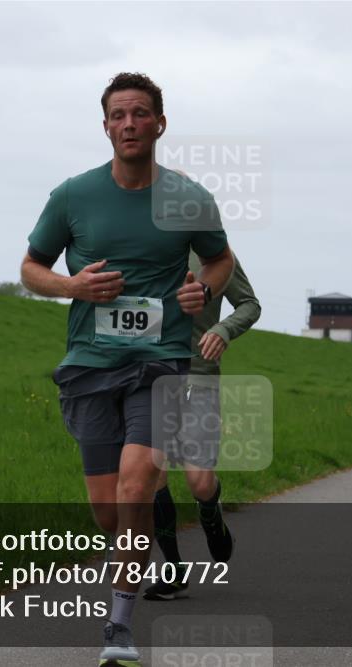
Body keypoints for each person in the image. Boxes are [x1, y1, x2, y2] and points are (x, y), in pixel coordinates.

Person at [20, 72, 234, 667]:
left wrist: (202, 292)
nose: (130, 124)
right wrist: (72, 285)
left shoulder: (189, 197)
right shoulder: (73, 196)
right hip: (89, 365)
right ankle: (129, 579)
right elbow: (30, 268)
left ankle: (118, 625)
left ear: (160, 124)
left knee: (138, 484)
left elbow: (220, 260)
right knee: (110, 512)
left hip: (159, 363)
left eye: (141, 113)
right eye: (119, 115)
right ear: (106, 126)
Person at [144, 252, 260, 601]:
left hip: (199, 376)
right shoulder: (137, 243)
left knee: (199, 480)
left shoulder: (214, 253)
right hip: (149, 374)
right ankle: (174, 570)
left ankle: (211, 515)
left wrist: (223, 329)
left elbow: (249, 305)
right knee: (152, 471)